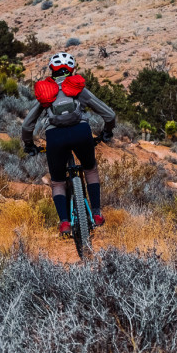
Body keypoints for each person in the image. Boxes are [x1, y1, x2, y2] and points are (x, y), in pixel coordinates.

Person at [21, 52, 116, 237]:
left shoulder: (46, 91)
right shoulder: (78, 88)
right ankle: (96, 214)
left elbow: (27, 125)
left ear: (52, 70)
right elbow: (109, 115)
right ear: (72, 69)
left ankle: (64, 222)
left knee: (57, 181)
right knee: (90, 170)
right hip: (81, 133)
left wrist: (28, 144)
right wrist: (107, 131)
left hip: (55, 138)